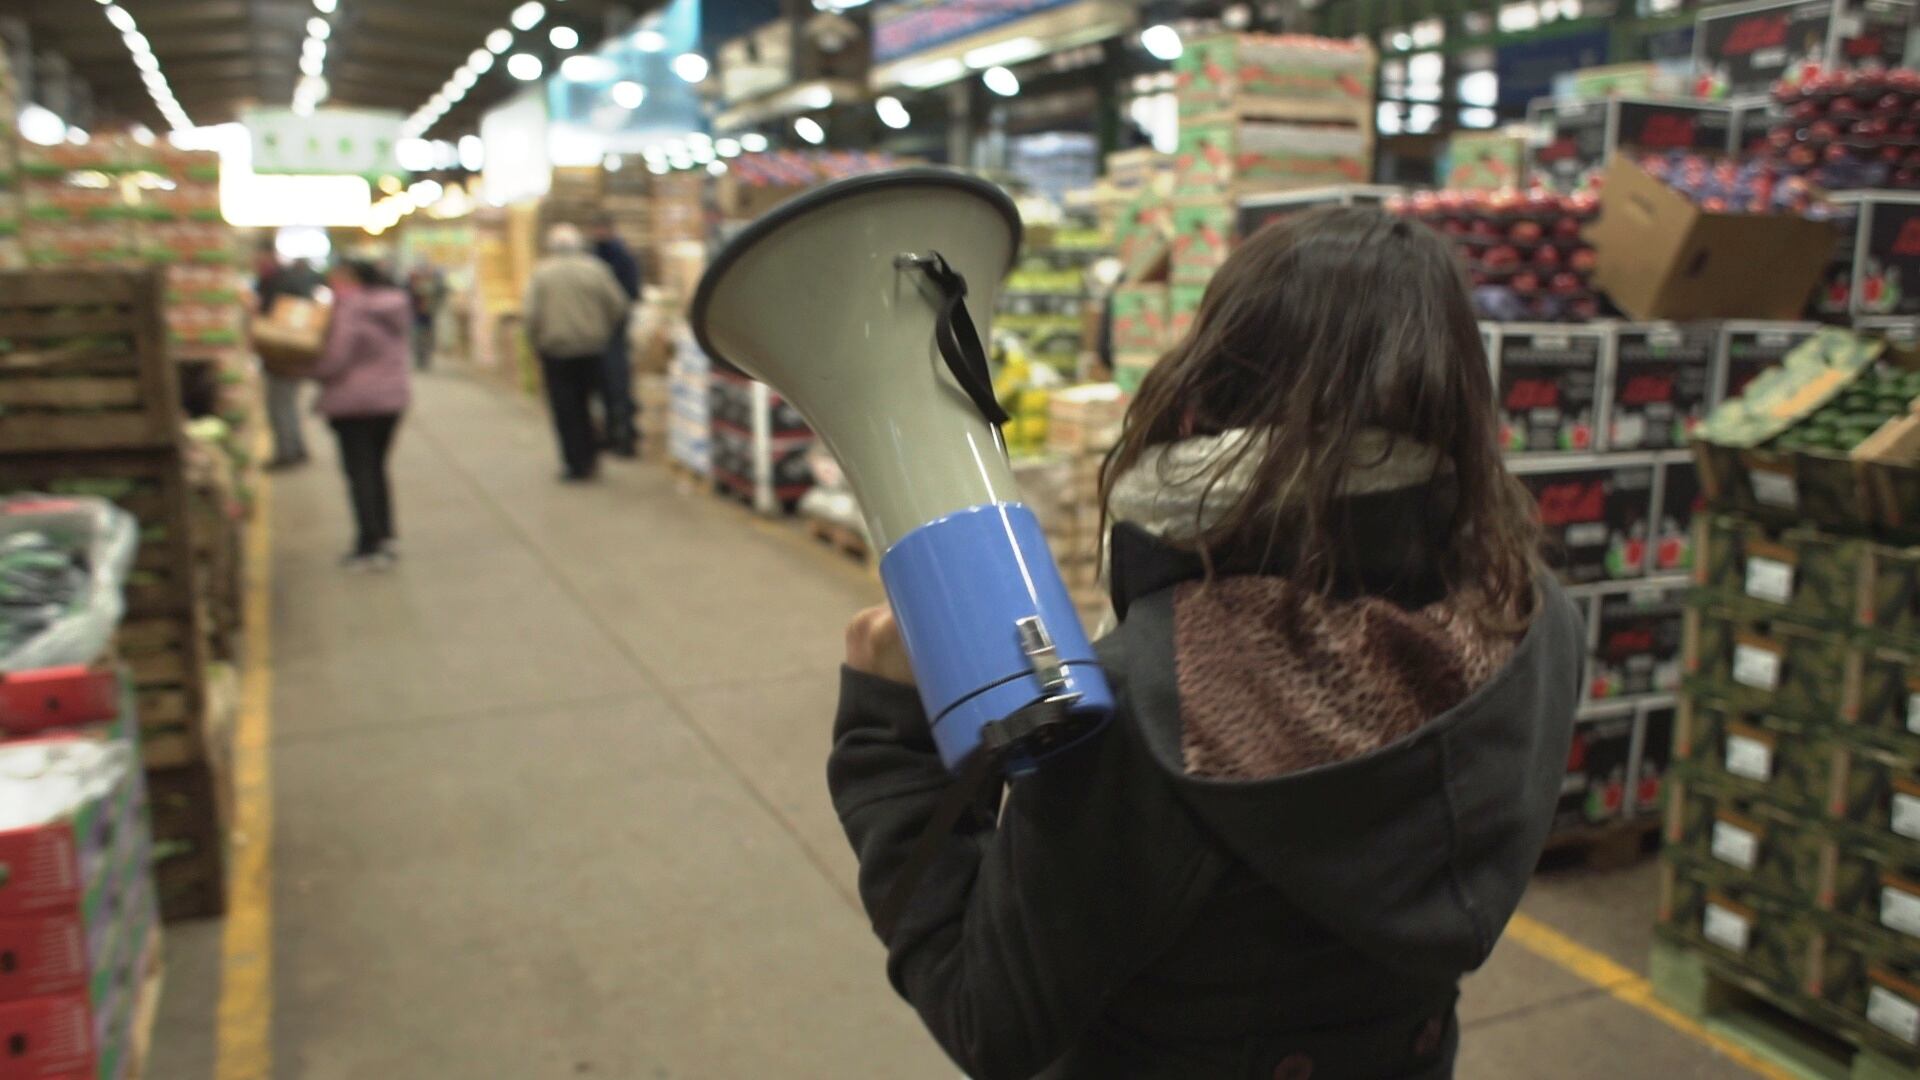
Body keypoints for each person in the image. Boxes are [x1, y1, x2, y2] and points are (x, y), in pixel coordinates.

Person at [827, 207, 1583, 1079]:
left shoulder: (1162, 703)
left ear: (1215, 374)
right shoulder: (1532, 618)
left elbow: (988, 1017)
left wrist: (890, 734)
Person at [312, 261, 412, 570]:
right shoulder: (391, 306)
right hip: (391, 401)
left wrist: (302, 367)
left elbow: (335, 359)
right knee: (377, 468)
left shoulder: (350, 309)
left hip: (354, 403)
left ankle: (370, 543)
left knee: (360, 472)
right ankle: (385, 535)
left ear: (351, 277)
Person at [524, 223, 631, 482]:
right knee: (589, 404)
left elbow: (531, 316)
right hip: (592, 349)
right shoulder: (595, 270)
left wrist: (535, 342)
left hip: (557, 352)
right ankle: (592, 456)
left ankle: (575, 463)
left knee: (566, 410)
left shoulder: (542, 274)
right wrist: (602, 330)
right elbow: (619, 305)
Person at [255, 248, 323, 469]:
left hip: (281, 353)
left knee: (280, 405)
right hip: (292, 353)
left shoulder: (275, 283)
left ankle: (287, 452)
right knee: (287, 403)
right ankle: (296, 448)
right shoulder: (296, 283)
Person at [590, 216, 642, 457]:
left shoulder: (619, 256)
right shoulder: (592, 256)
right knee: (605, 385)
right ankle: (613, 436)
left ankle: (623, 438)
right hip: (598, 331)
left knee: (617, 384)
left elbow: (629, 294)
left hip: (613, 328)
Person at [406, 265, 446, 371]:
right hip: (417, 316)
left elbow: (441, 293)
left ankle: (425, 358)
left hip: (428, 316)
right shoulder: (414, 287)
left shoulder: (432, 287)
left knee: (426, 337)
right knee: (418, 337)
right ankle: (420, 358)